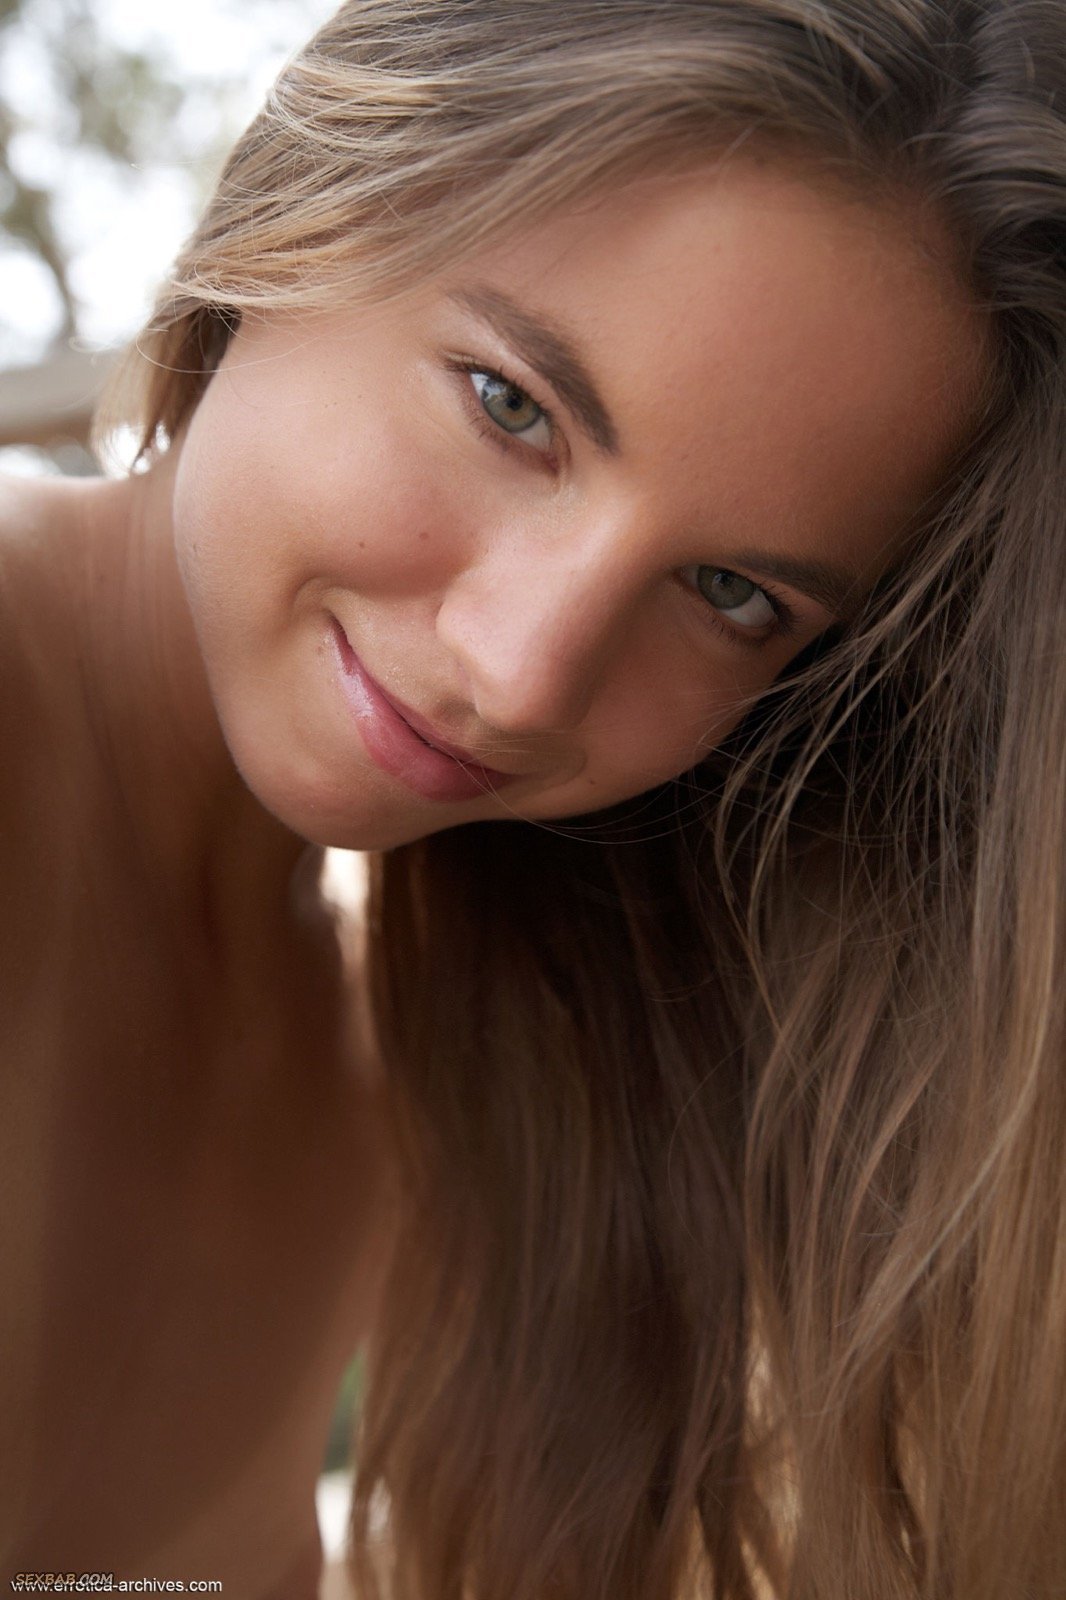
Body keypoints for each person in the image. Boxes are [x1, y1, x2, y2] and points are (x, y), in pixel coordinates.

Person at [2, 0, 1063, 1596]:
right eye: (511, 407)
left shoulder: (410, 1052)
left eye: (728, 593)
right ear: (309, 198)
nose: (519, 678)